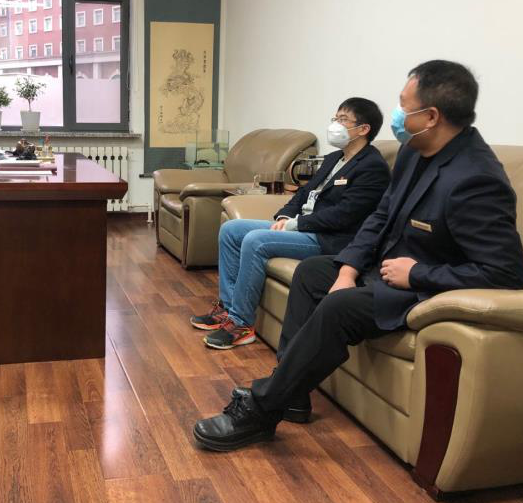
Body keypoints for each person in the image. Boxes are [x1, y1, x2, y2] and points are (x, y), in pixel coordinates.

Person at [193, 60, 523, 451]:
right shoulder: (414, 152)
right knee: (313, 273)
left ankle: (262, 410)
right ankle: (292, 391)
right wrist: (348, 269)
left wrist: (418, 274)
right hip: (382, 268)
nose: (398, 115)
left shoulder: (476, 177)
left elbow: (506, 271)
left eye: (404, 106)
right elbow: (381, 216)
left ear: (431, 116)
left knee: (339, 308)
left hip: (418, 287)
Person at [191, 98, 390, 351]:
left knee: (255, 240)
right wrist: (284, 217)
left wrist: (297, 224)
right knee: (231, 230)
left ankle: (241, 324)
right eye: (335, 118)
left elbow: (344, 215)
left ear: (363, 129)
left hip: (329, 237)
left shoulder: (373, 167)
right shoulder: (334, 158)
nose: (335, 125)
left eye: (343, 120)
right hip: (302, 226)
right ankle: (228, 310)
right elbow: (303, 193)